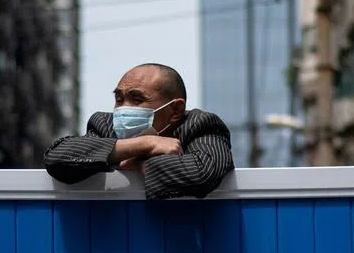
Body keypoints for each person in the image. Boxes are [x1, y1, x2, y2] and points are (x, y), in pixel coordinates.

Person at [44, 63, 234, 200]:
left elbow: (203, 173)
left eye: (137, 99)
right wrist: (145, 144)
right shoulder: (104, 124)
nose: (123, 108)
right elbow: (58, 158)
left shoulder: (200, 124)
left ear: (175, 110)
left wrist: (140, 164)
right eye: (119, 99)